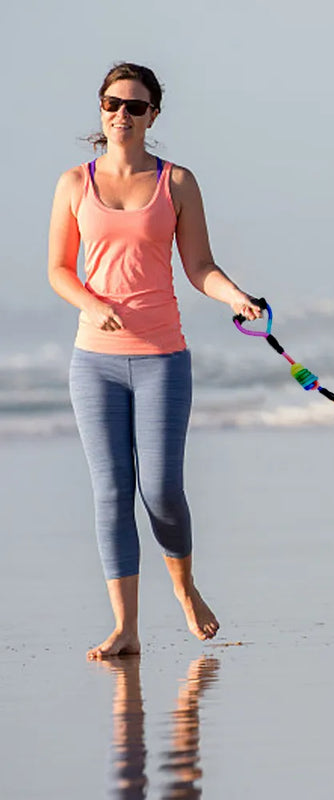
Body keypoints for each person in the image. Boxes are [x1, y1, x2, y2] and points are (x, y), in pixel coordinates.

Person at [48, 62, 263, 660]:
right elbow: (59, 270)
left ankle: (185, 589)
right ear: (101, 110)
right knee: (112, 492)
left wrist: (238, 298)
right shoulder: (74, 184)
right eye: (113, 103)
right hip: (94, 361)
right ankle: (126, 628)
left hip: (162, 357)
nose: (122, 114)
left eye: (135, 107)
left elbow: (199, 267)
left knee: (162, 490)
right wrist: (91, 304)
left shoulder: (177, 183)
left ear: (153, 116)